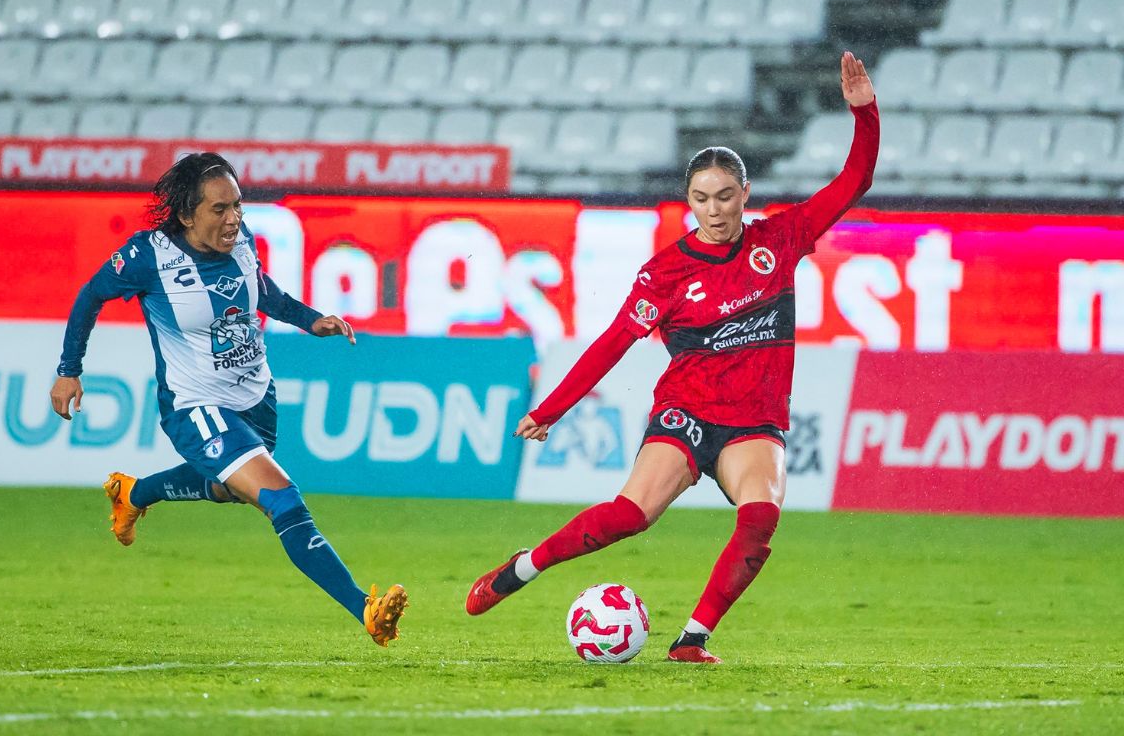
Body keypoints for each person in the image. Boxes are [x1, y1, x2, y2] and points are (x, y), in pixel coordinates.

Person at [466, 52, 879, 664]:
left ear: (745, 195)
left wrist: (864, 111)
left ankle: (692, 639)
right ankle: (522, 568)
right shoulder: (666, 272)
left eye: (725, 197)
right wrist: (553, 408)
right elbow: (612, 342)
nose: (713, 210)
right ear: (688, 199)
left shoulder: (781, 239)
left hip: (753, 422)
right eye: (700, 198)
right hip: (687, 411)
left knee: (762, 515)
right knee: (630, 516)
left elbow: (855, 181)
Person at [49, 152, 407, 647]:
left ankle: (133, 494)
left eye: (237, 205)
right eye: (220, 209)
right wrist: (69, 370)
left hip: (256, 396)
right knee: (281, 497)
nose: (234, 218)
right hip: (194, 405)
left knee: (228, 488)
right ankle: (365, 611)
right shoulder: (147, 256)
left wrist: (311, 320)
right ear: (186, 214)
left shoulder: (244, 242)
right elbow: (89, 296)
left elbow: (263, 292)